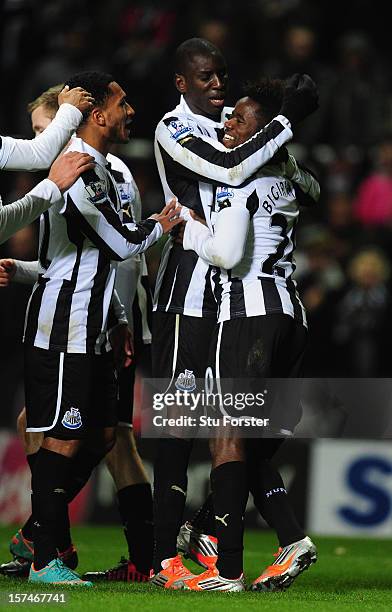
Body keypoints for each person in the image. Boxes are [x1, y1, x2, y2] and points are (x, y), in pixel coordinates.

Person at [149, 37, 318, 589]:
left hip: (245, 311)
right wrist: (282, 139)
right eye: (208, 79)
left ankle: (223, 564)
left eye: (237, 117)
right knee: (248, 437)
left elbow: (226, 235)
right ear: (182, 83)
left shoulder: (239, 178)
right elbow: (307, 186)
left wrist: (184, 225)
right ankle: (284, 538)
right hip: (290, 311)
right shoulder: (180, 132)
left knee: (225, 431)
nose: (225, 112)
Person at [20, 70, 180, 586]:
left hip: (96, 322)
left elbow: (92, 255)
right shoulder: (80, 173)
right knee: (61, 435)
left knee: (102, 435)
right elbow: (122, 246)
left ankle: (44, 538)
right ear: (96, 113)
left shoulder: (104, 172)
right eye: (123, 102)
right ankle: (48, 555)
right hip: (66, 322)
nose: (130, 110)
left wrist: (120, 317)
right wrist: (164, 222)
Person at [0, 86, 94, 243]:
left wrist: (23, 268)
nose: (37, 138)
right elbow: (39, 153)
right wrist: (52, 187)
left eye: (42, 131)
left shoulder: (112, 168)